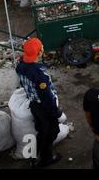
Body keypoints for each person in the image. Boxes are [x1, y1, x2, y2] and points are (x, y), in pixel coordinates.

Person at [15, 37, 63, 168]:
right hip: (43, 107)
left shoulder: (20, 65)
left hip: (34, 104)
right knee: (51, 132)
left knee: (42, 129)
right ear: (40, 52)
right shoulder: (39, 75)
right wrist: (55, 112)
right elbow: (46, 97)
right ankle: (46, 158)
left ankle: (34, 153)